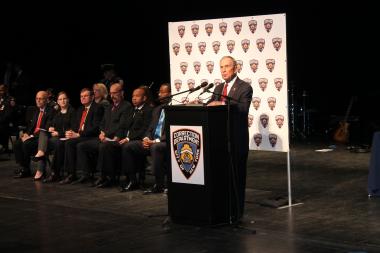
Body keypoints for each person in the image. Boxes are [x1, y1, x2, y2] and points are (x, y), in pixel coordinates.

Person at [207, 56, 253, 221]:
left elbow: (242, 109)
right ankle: (222, 211)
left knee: (237, 178)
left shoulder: (244, 87)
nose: (224, 70)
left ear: (236, 68)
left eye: (227, 66)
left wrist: (221, 105)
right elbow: (210, 107)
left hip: (236, 141)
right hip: (219, 142)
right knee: (221, 178)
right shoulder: (218, 88)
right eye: (221, 67)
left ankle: (236, 213)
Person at [76, 83, 133, 187]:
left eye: (115, 93)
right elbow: (102, 123)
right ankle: (87, 174)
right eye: (111, 93)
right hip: (105, 137)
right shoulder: (110, 107)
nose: (112, 95)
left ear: (122, 93)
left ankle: (106, 177)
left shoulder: (126, 106)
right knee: (82, 146)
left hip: (116, 138)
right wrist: (102, 133)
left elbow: (123, 125)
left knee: (104, 146)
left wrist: (111, 136)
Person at [119, 83, 171, 193]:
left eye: (162, 92)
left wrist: (155, 141)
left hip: (164, 142)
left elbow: (171, 131)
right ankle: (133, 181)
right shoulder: (157, 109)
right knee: (128, 146)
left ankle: (159, 184)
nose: (159, 94)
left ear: (170, 93)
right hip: (151, 141)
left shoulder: (174, 108)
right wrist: (146, 138)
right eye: (159, 92)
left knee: (156, 147)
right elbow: (150, 127)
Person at [59, 88, 103, 184]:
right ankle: (71, 174)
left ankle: (85, 174)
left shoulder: (97, 108)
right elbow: (75, 126)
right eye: (81, 96)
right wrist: (71, 132)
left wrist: (79, 134)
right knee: (68, 142)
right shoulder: (80, 109)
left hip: (92, 136)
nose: (83, 98)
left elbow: (95, 128)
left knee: (73, 143)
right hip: (81, 135)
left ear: (92, 97)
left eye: (85, 96)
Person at [13, 91, 54, 178]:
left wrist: (30, 136)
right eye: (37, 98)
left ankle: (25, 169)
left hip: (41, 138)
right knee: (17, 143)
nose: (38, 101)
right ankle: (24, 168)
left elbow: (46, 128)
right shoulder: (36, 110)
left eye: (41, 99)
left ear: (46, 100)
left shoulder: (51, 111)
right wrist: (26, 134)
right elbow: (31, 126)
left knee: (26, 144)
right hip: (32, 136)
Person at [0, 83, 13, 153]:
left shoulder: (10, 99)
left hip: (5, 123)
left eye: (2, 90)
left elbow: (8, 115)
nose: (0, 92)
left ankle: (3, 146)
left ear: (6, 90)